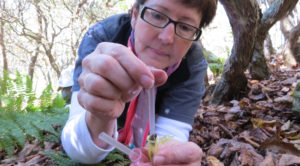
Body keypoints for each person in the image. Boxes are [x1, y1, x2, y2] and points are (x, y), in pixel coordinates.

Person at [61, 0, 217, 165]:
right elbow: (76, 147)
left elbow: (171, 136)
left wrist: (166, 157)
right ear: (134, 15)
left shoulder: (192, 63)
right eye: (157, 16)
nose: (166, 38)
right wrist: (99, 116)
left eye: (185, 27)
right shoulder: (102, 37)